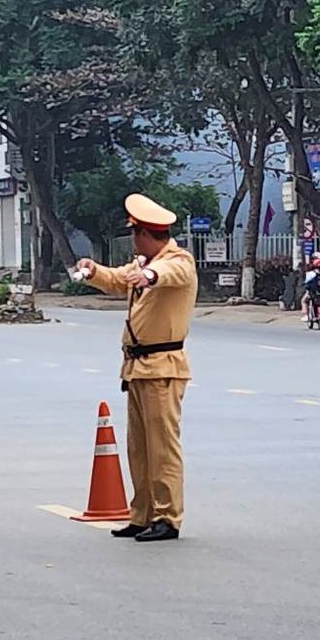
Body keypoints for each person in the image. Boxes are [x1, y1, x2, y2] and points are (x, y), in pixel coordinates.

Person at [75, 193, 197, 543]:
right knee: (139, 449)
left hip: (163, 367)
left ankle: (167, 517)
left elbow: (170, 273)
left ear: (145, 233)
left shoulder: (177, 260)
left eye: (135, 233)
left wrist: (150, 275)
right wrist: (93, 270)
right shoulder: (141, 263)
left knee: (162, 448)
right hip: (138, 367)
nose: (133, 240)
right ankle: (142, 514)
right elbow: (117, 279)